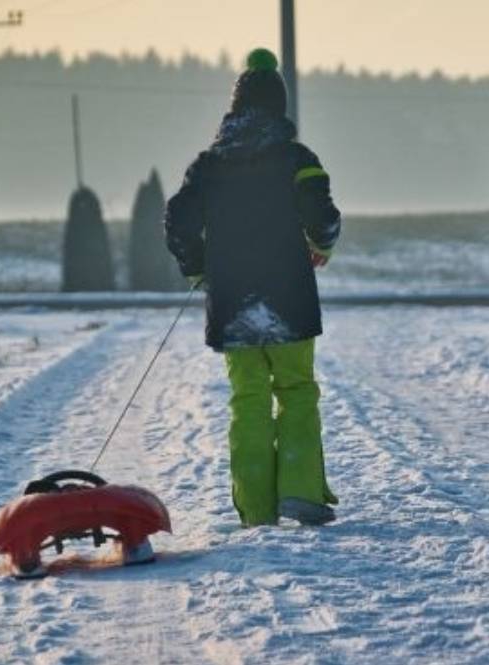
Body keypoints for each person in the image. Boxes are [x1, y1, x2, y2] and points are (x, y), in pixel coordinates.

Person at [165, 48, 342, 528]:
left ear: (236, 108)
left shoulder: (208, 165)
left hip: (232, 300)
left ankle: (257, 509)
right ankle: (302, 493)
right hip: (289, 296)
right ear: (279, 108)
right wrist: (321, 244)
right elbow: (323, 216)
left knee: (247, 398)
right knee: (297, 390)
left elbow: (178, 218)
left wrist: (196, 266)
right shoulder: (297, 159)